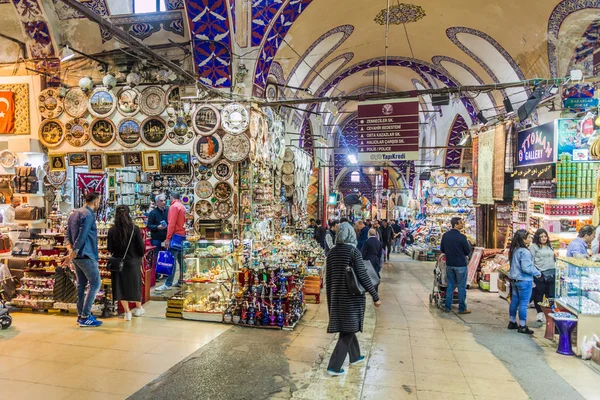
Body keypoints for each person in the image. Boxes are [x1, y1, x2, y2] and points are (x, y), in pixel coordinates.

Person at [326, 222, 381, 376]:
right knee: (348, 330)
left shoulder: (331, 253)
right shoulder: (353, 252)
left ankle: (355, 356)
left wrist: (330, 297)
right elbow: (363, 276)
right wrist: (375, 296)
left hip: (336, 296)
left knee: (348, 327)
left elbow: (328, 277)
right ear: (351, 234)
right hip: (351, 297)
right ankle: (334, 366)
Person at [64, 192, 103, 327]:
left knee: (81, 285)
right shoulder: (88, 214)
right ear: (96, 200)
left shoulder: (74, 213)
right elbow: (83, 234)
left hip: (77, 256)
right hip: (86, 254)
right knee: (95, 284)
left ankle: (81, 315)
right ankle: (85, 315)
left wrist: (71, 250)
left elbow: (67, 233)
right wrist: (73, 252)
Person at [108, 205, 147, 321]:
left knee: (120, 287)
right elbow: (141, 247)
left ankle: (127, 312)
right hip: (133, 261)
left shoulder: (112, 230)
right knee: (135, 285)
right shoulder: (134, 228)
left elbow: (110, 248)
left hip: (118, 263)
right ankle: (139, 308)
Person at [508, 229, 541, 334]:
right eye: (528, 237)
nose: (530, 239)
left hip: (514, 279)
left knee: (514, 301)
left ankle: (512, 322)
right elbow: (526, 267)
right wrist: (537, 273)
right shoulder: (525, 252)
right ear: (523, 239)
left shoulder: (514, 250)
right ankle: (522, 325)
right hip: (524, 280)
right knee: (523, 303)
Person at [440, 217, 471, 314]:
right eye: (461, 223)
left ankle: (447, 307)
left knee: (450, 286)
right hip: (461, 265)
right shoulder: (462, 237)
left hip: (450, 264)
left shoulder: (445, 236)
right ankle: (462, 308)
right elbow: (467, 251)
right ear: (455, 224)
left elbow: (442, 249)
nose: (462, 225)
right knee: (461, 287)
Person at [156, 192, 187, 291]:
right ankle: (182, 280)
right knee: (181, 261)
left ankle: (168, 283)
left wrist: (168, 238)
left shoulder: (174, 207)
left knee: (171, 261)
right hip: (182, 235)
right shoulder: (182, 206)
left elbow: (172, 224)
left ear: (171, 197)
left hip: (175, 236)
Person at [529, 229, 555, 323]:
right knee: (539, 294)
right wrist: (535, 273)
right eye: (541, 237)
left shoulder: (549, 246)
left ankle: (550, 314)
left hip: (551, 273)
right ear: (537, 237)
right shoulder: (534, 247)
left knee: (551, 294)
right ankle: (540, 314)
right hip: (540, 274)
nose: (544, 238)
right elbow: (530, 261)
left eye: (545, 236)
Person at [147, 194, 169, 279]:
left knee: (166, 256)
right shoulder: (153, 213)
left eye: (164, 200)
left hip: (166, 237)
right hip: (156, 238)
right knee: (156, 256)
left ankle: (166, 272)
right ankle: (156, 274)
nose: (163, 202)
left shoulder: (168, 211)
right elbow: (149, 226)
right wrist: (157, 227)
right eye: (161, 201)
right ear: (157, 202)